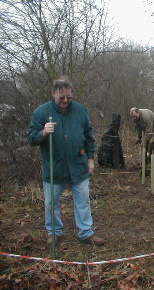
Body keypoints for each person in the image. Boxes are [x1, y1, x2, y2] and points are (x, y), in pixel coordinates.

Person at [27, 76, 105, 247]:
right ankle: (54, 232)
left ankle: (86, 233)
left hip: (78, 165)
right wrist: (43, 133)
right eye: (61, 97)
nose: (65, 101)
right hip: (54, 167)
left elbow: (89, 137)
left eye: (69, 97)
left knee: (83, 201)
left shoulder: (80, 110)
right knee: (51, 203)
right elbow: (31, 138)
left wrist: (90, 159)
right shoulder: (41, 112)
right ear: (53, 93)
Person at [130, 107, 154, 172]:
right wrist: (139, 137)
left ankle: (150, 162)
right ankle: (143, 161)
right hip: (148, 128)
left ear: (138, 112)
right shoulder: (135, 117)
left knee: (151, 143)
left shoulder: (145, 117)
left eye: (135, 116)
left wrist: (144, 140)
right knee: (144, 144)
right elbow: (137, 127)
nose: (134, 118)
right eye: (133, 117)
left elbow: (149, 131)